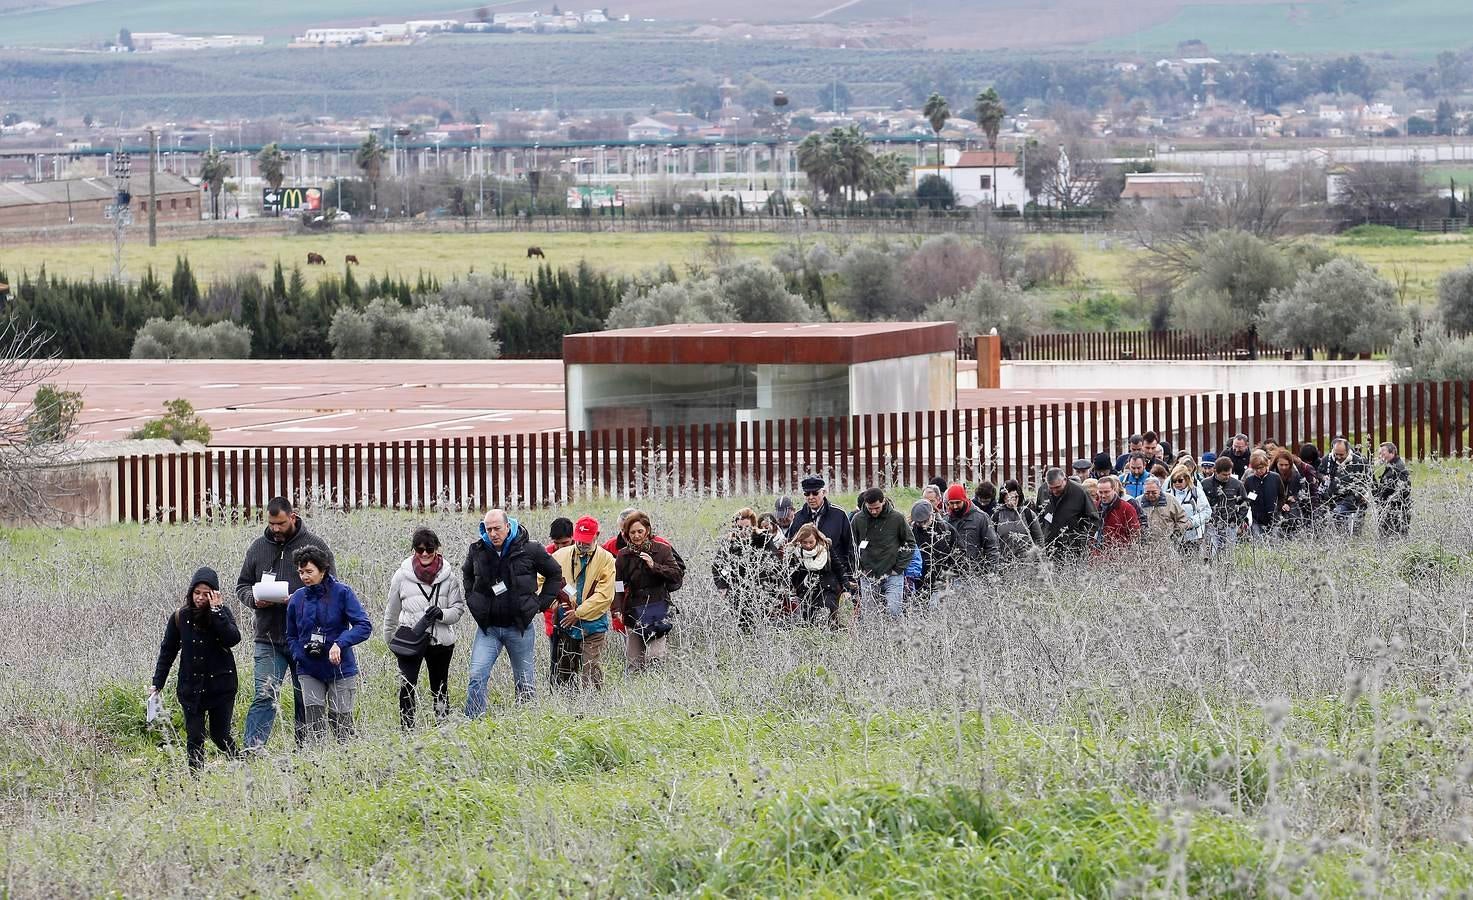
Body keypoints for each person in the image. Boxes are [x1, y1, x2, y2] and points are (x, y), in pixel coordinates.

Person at [234, 496, 335, 751]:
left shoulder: (316, 546)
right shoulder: (258, 547)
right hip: (268, 638)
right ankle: (252, 751)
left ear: (293, 516)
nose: (275, 529)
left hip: (305, 639)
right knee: (264, 695)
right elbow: (242, 585)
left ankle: (306, 751)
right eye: (271, 524)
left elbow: (332, 590)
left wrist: (301, 602)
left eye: (280, 523)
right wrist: (255, 599)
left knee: (306, 698)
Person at [463, 508, 564, 717]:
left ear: (508, 527)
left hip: (520, 628)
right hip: (488, 628)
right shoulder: (477, 550)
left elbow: (554, 573)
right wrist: (474, 602)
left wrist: (539, 604)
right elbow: (467, 576)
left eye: (497, 528)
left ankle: (526, 726)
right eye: (488, 529)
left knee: (525, 683)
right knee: (476, 676)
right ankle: (472, 723)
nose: (492, 534)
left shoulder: (530, 549)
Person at [151, 567, 240, 772]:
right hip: (191, 687)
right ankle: (196, 781)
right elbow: (168, 651)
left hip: (221, 686)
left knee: (220, 735)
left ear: (215, 594)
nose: (200, 598)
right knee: (194, 737)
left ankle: (241, 765)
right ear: (190, 593)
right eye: (196, 593)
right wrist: (157, 682)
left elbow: (233, 638)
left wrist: (217, 612)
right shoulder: (179, 617)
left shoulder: (222, 613)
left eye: (206, 593)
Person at [284, 545, 372, 743]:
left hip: (340, 667)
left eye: (309, 571)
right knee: (314, 725)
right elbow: (291, 635)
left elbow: (364, 626)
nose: (305, 577)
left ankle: (347, 764)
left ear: (322, 570)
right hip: (308, 668)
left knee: (341, 723)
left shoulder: (342, 593)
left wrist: (340, 644)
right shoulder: (297, 598)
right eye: (301, 572)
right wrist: (299, 655)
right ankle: (318, 765)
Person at [384, 527, 465, 730]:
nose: (425, 553)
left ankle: (443, 731)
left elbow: (458, 609)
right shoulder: (401, 576)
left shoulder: (449, 577)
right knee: (406, 688)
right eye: (420, 550)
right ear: (414, 551)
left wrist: (442, 614)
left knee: (440, 689)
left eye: (429, 548)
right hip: (410, 640)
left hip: (441, 642)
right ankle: (407, 731)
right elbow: (391, 612)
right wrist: (391, 641)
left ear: (437, 549)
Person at [613, 510, 685, 672]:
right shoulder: (623, 556)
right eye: (632, 532)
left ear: (648, 530)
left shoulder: (662, 550)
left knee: (655, 658)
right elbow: (617, 584)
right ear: (626, 534)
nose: (637, 535)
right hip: (633, 611)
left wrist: (655, 566)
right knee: (634, 664)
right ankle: (634, 695)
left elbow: (676, 575)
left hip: (658, 609)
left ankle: (658, 692)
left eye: (640, 531)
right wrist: (617, 608)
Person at [549, 516, 615, 690]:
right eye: (578, 540)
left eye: (586, 541)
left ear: (597, 535)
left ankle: (594, 707)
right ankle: (567, 708)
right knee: (565, 671)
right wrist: (553, 602)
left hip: (593, 624)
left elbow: (604, 596)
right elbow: (542, 581)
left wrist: (578, 613)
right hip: (565, 622)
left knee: (590, 669)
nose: (581, 544)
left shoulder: (607, 560)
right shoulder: (560, 555)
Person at [712, 507, 782, 632]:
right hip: (737, 598)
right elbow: (718, 566)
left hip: (761, 597)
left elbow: (776, 567)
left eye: (747, 528)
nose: (743, 531)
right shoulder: (729, 544)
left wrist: (770, 593)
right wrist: (723, 586)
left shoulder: (763, 541)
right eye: (739, 528)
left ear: (753, 526)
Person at [785, 476, 857, 595]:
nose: (811, 497)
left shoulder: (838, 514)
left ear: (823, 492)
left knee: (830, 611)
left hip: (833, 576)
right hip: (805, 577)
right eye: (807, 494)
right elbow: (791, 548)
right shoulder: (798, 517)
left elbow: (850, 547)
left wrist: (849, 576)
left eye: (815, 493)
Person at [851, 487, 915, 618]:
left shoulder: (897, 518)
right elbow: (851, 546)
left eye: (877, 508)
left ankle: (896, 638)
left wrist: (898, 568)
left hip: (892, 575)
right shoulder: (858, 520)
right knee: (870, 616)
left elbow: (910, 543)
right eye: (870, 508)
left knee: (894, 611)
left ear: (883, 501)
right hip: (868, 575)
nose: (874, 511)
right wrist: (858, 568)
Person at [788, 523, 843, 627]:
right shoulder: (795, 553)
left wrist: (846, 586)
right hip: (805, 592)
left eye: (811, 542)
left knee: (826, 618)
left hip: (827, 589)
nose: (808, 546)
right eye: (804, 543)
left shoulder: (825, 549)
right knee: (808, 622)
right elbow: (791, 575)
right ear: (800, 541)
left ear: (817, 539)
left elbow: (838, 567)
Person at [542, 517, 576, 682]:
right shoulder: (545, 554)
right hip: (553, 614)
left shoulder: (583, 551)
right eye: (557, 544)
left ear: (573, 538)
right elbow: (538, 583)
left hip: (579, 613)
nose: (561, 548)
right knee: (556, 656)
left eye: (565, 543)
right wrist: (549, 600)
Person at [1041, 467, 1100, 561]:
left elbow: (1093, 519)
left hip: (1074, 549)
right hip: (1050, 547)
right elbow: (1039, 513)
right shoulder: (1043, 490)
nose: (1055, 491)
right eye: (1051, 488)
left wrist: (1081, 541)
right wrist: (1044, 533)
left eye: (1057, 487)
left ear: (1065, 479)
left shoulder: (1080, 492)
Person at [1318, 438, 1371, 535]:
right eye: (1336, 454)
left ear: (1348, 451)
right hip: (1331, 498)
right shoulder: (1327, 460)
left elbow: (1369, 480)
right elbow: (1319, 472)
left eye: (1341, 454)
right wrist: (1322, 477)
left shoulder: (1359, 461)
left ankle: (1344, 539)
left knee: (1339, 515)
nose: (1338, 457)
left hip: (1351, 499)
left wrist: (1365, 494)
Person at [944, 483, 1001, 572]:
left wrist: (991, 572)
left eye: (958, 502)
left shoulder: (981, 518)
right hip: (952, 574)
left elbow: (992, 547)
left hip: (975, 574)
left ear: (964, 499)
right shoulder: (946, 521)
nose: (955, 506)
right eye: (951, 503)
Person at [1201, 457, 1249, 561]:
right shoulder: (1205, 484)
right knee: (1211, 554)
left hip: (1229, 525)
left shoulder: (1237, 484)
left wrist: (1237, 521)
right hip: (1211, 525)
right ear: (1216, 471)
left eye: (1229, 474)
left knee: (1228, 556)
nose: (1227, 477)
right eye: (1224, 474)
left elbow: (1245, 504)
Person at [909, 500, 955, 602]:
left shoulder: (945, 529)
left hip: (942, 579)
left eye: (925, 522)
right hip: (919, 581)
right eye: (919, 523)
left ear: (932, 515)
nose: (923, 526)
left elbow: (957, 552)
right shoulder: (910, 532)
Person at [992, 480, 1044, 568]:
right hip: (1005, 565)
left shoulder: (1028, 514)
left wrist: (1041, 562)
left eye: (1015, 497)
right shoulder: (997, 516)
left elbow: (1039, 539)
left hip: (1028, 565)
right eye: (1008, 497)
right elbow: (992, 542)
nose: (1012, 501)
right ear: (1003, 498)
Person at [1167, 464, 1212, 557]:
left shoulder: (1196, 492)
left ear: (1187, 479)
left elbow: (1207, 512)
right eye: (1174, 481)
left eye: (1180, 480)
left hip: (1192, 537)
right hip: (1172, 537)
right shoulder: (1167, 494)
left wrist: (1192, 522)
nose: (1177, 483)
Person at [1373, 441, 1412, 538]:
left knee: (1394, 540)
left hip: (1396, 513)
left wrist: (1385, 502)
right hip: (1389, 511)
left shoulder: (1398, 468)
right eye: (1379, 453)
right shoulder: (1391, 467)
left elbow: (1403, 490)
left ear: (1392, 452)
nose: (1380, 455)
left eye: (1383, 452)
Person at [1095, 475, 1141, 554]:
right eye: (1100, 492)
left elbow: (1135, 534)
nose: (1103, 495)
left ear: (1113, 490)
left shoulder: (1127, 508)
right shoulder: (1094, 507)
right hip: (1097, 556)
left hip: (1119, 556)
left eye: (1106, 492)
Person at [1137, 476, 1187, 548]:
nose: (1150, 495)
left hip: (1168, 545)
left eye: (1154, 492)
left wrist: (1175, 535)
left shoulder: (1171, 500)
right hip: (1146, 547)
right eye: (1147, 493)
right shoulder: (1138, 502)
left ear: (1160, 489)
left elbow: (1183, 519)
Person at [1242, 450, 1282, 539]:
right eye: (1256, 468)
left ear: (1266, 465)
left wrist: (1278, 509)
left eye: (1261, 467)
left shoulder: (1275, 477)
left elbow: (1282, 496)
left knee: (1275, 542)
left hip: (1274, 518)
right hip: (1256, 519)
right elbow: (1245, 499)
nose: (1259, 471)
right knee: (1258, 543)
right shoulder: (1249, 481)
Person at [1271, 449, 1312, 535]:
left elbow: (1303, 490)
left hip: (1291, 503)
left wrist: (1295, 497)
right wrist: (1282, 503)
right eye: (1281, 465)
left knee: (1293, 517)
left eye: (1286, 465)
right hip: (1275, 503)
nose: (1283, 467)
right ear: (1276, 464)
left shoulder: (1295, 474)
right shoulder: (1271, 475)